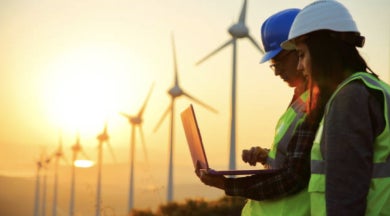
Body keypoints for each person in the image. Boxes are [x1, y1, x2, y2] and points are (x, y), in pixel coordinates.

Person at [196, 9, 321, 216]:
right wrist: (267, 156)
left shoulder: (318, 102)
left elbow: (295, 176)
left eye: (280, 60)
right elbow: (296, 157)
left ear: (302, 49)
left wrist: (227, 185)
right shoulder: (298, 101)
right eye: (273, 65)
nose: (278, 70)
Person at [281, 0, 390, 215]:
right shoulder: (375, 89)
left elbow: (346, 195)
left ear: (322, 50)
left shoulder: (350, 98)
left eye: (302, 54)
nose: (299, 66)